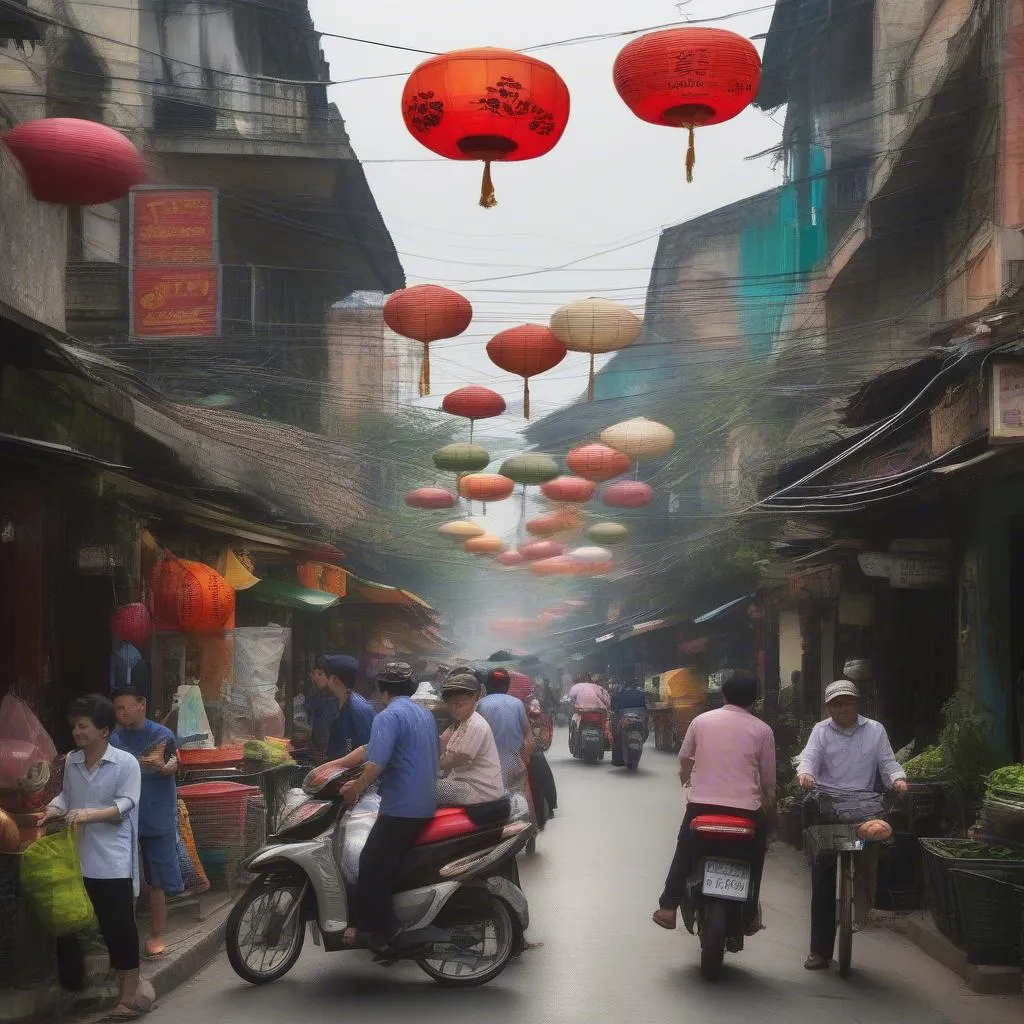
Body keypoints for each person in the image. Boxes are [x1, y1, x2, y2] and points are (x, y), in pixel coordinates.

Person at [308, 663, 438, 950]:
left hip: (402, 806)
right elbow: (370, 749)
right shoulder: (423, 714)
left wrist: (355, 788)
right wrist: (333, 765)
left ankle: (386, 933)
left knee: (369, 864)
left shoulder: (388, 716)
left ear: (382, 690)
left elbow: (375, 763)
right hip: (425, 802)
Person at [44, 694, 155, 1018]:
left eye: (83, 726)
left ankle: (128, 998)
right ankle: (76, 988)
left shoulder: (125, 763)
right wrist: (51, 809)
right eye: (75, 726)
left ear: (104, 731)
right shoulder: (73, 763)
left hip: (112, 862)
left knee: (118, 928)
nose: (77, 732)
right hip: (77, 859)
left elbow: (125, 805)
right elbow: (68, 796)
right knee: (69, 925)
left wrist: (87, 815)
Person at [653, 670, 776, 936]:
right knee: (756, 857)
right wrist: (768, 803)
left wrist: (686, 778)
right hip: (746, 810)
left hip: (702, 807)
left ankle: (668, 907)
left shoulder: (701, 721)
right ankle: (751, 913)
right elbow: (768, 779)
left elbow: (685, 757)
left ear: (722, 694)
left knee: (684, 850)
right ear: (755, 700)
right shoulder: (762, 730)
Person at [796, 679, 908, 971]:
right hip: (829, 808)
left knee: (869, 860)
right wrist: (805, 774)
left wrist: (898, 778)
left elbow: (888, 762)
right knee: (822, 874)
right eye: (835, 704)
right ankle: (819, 951)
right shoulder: (821, 731)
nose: (842, 708)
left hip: (864, 808)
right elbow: (808, 758)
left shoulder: (875, 730)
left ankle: (861, 910)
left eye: (847, 702)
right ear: (828, 707)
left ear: (857, 703)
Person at [110, 687, 183, 960]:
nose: (120, 713)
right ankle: (125, 936)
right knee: (122, 877)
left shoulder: (162, 735)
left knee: (158, 880)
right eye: (116, 709)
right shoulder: (115, 737)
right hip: (125, 816)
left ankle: (156, 933)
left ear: (142, 704)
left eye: (123, 707)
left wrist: (168, 767)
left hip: (157, 814)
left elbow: (175, 763)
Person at [436, 672, 504, 806]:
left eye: (460, 704)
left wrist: (428, 768)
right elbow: (440, 745)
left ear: (474, 697)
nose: (455, 708)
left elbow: (457, 758)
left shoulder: (475, 724)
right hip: (467, 785)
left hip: (479, 791)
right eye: (451, 704)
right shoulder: (460, 723)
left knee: (425, 787)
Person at [477, 668, 534, 793]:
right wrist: (525, 756)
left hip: (487, 766)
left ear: (486, 686)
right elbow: (527, 734)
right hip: (514, 761)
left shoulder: (480, 705)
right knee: (523, 791)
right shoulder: (517, 703)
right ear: (507, 686)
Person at [322, 654, 376, 761]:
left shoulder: (359, 709)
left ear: (334, 679)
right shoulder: (339, 703)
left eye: (327, 677)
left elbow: (368, 752)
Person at [609, 679, 648, 766]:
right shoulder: (641, 693)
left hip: (624, 719)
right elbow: (646, 708)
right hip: (639, 719)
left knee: (616, 734)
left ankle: (617, 760)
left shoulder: (619, 692)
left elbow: (613, 708)